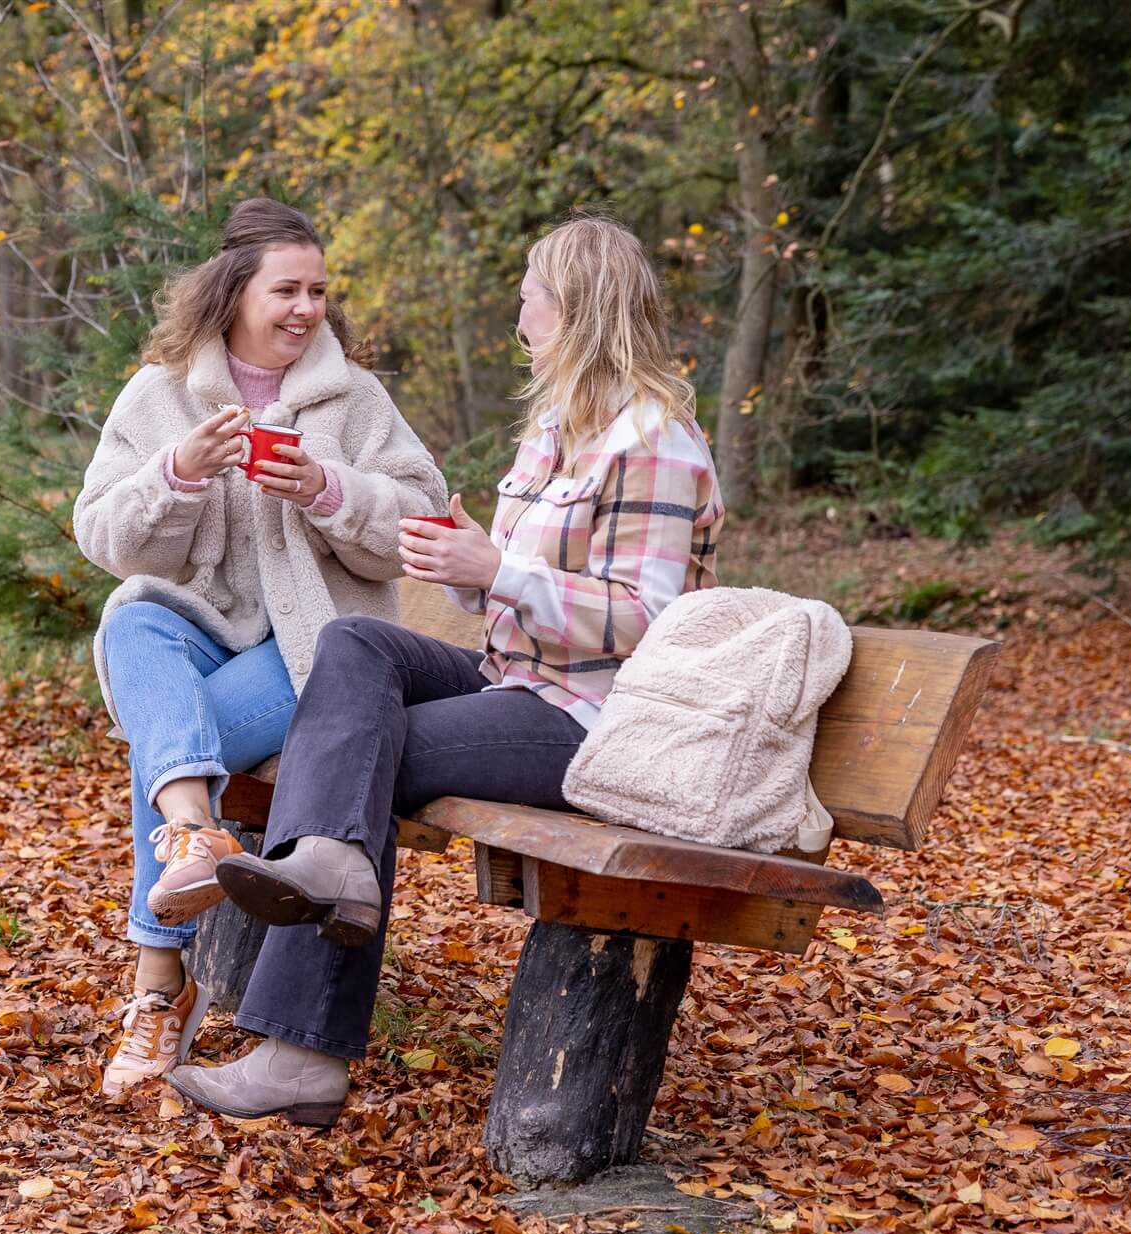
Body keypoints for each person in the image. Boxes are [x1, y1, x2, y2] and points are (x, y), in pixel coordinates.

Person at [166, 215, 725, 1126]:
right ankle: (332, 873)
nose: (519, 321)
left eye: (529, 300)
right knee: (352, 645)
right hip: (516, 677)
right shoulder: (558, 430)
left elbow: (652, 619)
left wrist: (498, 570)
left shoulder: (653, 440)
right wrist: (465, 561)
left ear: (575, 308)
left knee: (357, 754)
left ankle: (300, 1051)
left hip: (589, 715)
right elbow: (513, 588)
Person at [72, 198, 447, 1098]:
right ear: (235, 290)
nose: (306, 308)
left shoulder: (355, 399)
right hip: (195, 634)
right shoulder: (159, 394)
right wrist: (177, 474)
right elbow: (100, 533)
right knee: (131, 617)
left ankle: (160, 979)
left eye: (319, 290)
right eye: (288, 289)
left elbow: (423, 517)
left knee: (168, 747)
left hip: (316, 650)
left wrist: (327, 489)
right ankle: (196, 836)